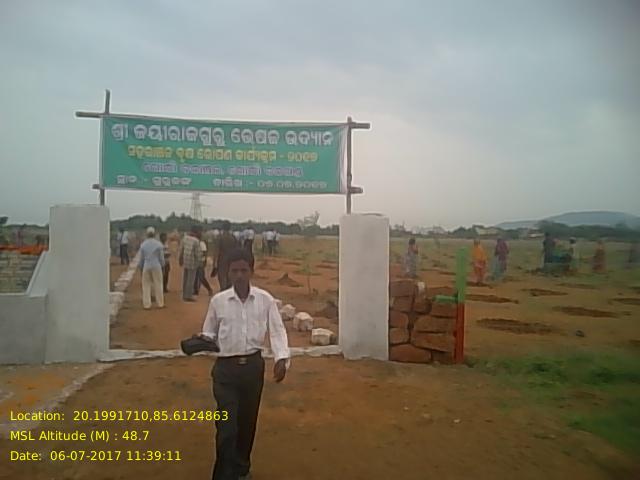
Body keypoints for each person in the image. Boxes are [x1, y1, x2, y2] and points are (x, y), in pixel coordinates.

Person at [200, 247, 290, 480]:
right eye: (234, 271)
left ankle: (241, 468)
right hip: (225, 372)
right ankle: (223, 475)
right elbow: (209, 333)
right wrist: (200, 341)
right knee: (226, 426)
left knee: (247, 422)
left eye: (243, 270)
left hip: (252, 368)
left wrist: (281, 358)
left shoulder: (265, 300)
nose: (239, 275)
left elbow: (277, 330)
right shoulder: (218, 302)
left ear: (251, 271)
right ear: (227, 272)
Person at [138, 227, 165, 309]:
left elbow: (141, 258)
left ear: (147, 234)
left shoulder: (143, 245)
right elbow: (161, 258)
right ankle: (160, 303)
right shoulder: (158, 244)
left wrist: (141, 267)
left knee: (146, 285)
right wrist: (163, 265)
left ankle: (147, 304)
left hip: (147, 265)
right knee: (158, 284)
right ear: (154, 234)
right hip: (156, 265)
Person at [179, 226, 202, 302]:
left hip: (185, 260)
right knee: (190, 280)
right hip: (192, 262)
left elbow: (181, 249)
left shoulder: (185, 238)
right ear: (196, 232)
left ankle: (184, 294)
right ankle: (188, 296)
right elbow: (197, 254)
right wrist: (200, 262)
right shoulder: (196, 241)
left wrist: (180, 259)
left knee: (185, 279)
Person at [216, 221, 239, 292]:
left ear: (223, 227)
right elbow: (237, 249)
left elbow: (217, 250)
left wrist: (214, 264)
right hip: (231, 259)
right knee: (230, 275)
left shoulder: (220, 237)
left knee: (222, 275)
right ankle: (229, 290)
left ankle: (223, 290)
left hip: (222, 259)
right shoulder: (233, 237)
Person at [194, 231, 214, 297]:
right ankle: (195, 290)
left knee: (201, 277)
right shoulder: (196, 242)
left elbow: (204, 253)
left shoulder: (201, 243)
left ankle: (209, 289)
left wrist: (204, 260)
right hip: (196, 261)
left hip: (200, 261)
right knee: (195, 276)